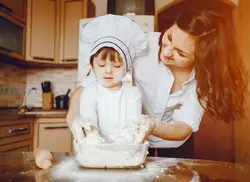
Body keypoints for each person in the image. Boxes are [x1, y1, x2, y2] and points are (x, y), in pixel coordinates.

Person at [68, 9, 248, 158]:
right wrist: (76, 118)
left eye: (181, 53)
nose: (167, 51)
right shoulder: (140, 46)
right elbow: (86, 88)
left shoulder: (203, 78)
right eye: (169, 37)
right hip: (127, 144)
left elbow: (185, 127)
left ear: (201, 59)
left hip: (172, 148)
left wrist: (152, 126)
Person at [34, 14, 148, 169]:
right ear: (92, 66)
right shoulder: (90, 91)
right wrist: (92, 137)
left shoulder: (133, 93)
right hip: (95, 157)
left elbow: (132, 127)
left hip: (126, 158)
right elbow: (89, 122)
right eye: (101, 65)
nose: (108, 71)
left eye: (116, 65)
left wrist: (120, 149)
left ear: (126, 67)